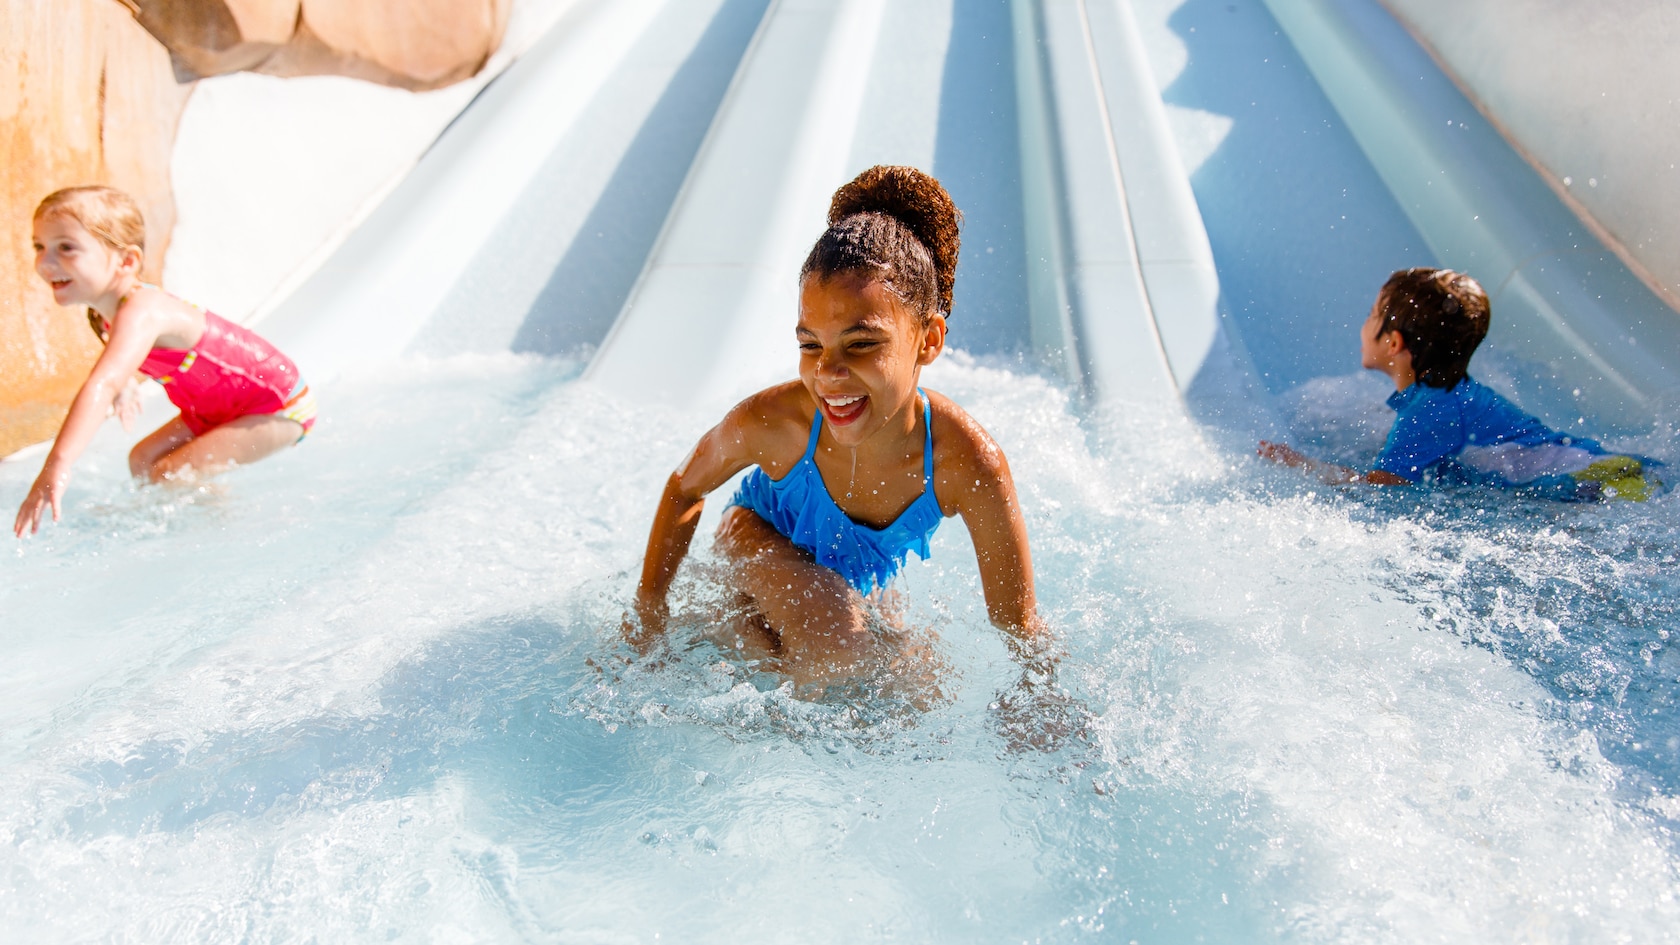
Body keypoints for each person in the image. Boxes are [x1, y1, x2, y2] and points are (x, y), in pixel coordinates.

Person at [630, 165, 1046, 689]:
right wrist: (647, 615)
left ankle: (734, 634)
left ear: (929, 340)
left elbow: (1019, 625)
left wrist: (1042, 699)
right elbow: (685, 487)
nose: (827, 373)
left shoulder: (967, 463)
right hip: (754, 539)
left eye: (862, 344)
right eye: (810, 345)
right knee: (837, 652)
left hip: (851, 581)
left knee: (921, 688)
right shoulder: (778, 422)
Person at [14, 185, 316, 537]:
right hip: (220, 408)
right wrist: (126, 386)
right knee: (142, 461)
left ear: (126, 262)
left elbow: (103, 381)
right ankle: (199, 525)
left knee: (169, 473)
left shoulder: (143, 309)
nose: (44, 262)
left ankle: (229, 533)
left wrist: (57, 465)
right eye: (40, 246)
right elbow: (120, 364)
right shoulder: (105, 316)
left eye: (65, 248)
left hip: (278, 405)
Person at [1259, 266, 1662, 501]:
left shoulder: (1429, 412)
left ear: (1394, 343)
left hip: (1597, 485)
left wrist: (1303, 466)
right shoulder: (1445, 396)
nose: (1363, 324)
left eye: (1371, 314)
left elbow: (1380, 492)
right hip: (1603, 470)